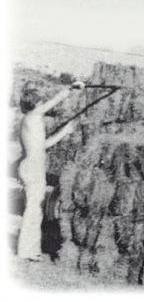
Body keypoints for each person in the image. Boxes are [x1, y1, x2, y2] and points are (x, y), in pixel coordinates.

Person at [17, 80, 85, 261]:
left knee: (35, 209)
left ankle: (30, 250)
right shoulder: (33, 117)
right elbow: (50, 104)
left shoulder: (30, 120)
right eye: (40, 101)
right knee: (33, 210)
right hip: (32, 168)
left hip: (32, 166)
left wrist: (64, 132)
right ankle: (27, 252)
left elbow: (43, 145)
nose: (42, 103)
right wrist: (70, 89)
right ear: (35, 103)